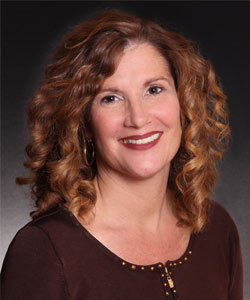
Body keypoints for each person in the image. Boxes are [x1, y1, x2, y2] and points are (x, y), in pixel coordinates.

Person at [1, 10, 243, 300]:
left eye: (154, 89)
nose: (138, 118)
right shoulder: (43, 251)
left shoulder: (216, 228)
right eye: (110, 98)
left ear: (183, 104)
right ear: (84, 122)